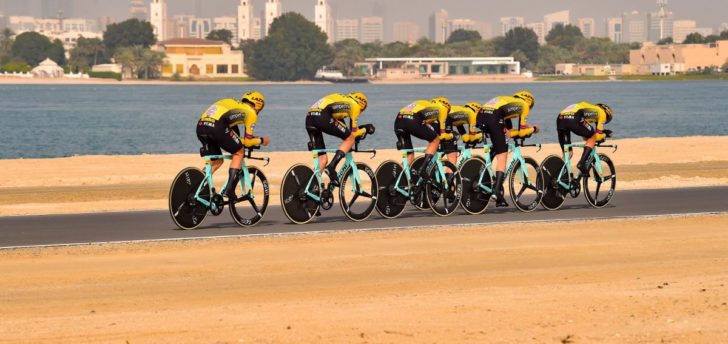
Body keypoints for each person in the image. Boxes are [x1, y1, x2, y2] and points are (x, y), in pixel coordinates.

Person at [196, 91, 270, 201]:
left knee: (217, 161)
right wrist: (261, 140)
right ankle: (229, 189)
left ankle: (196, 186)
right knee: (239, 152)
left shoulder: (232, 103)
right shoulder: (251, 113)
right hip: (217, 127)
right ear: (258, 105)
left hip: (201, 126)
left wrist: (244, 141)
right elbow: (247, 142)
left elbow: (235, 135)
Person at [479, 91, 540, 207]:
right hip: (494, 117)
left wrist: (511, 131)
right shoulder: (524, 105)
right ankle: (496, 191)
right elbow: (522, 132)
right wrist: (533, 129)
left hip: (482, 115)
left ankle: (486, 175)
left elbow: (508, 126)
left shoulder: (508, 101)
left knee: (498, 144)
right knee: (503, 155)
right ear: (529, 102)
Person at [306, 92, 369, 186]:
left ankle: (310, 187)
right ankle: (332, 167)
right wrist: (366, 129)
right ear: (361, 104)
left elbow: (344, 128)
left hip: (310, 117)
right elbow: (353, 133)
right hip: (322, 116)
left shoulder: (342, 101)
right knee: (350, 138)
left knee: (323, 159)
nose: (360, 112)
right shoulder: (354, 106)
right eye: (362, 110)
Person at [394, 97, 452, 183]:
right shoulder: (442, 109)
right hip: (413, 120)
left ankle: (397, 181)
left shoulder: (425, 104)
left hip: (399, 120)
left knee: (410, 155)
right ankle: (423, 169)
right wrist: (451, 135)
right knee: (435, 140)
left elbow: (426, 126)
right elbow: (442, 135)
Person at [556, 102, 613, 176]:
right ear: (607, 113)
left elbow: (584, 135)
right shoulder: (602, 113)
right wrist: (605, 134)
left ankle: (558, 175)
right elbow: (597, 137)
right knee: (592, 136)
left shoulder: (589, 109)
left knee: (568, 154)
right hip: (575, 117)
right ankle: (582, 163)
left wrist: (591, 139)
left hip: (560, 118)